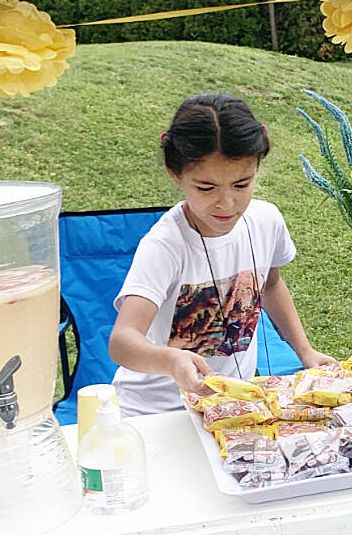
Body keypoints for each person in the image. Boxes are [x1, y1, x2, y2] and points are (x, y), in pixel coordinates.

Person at [109, 93, 339, 416]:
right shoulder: (165, 245)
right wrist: (172, 361)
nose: (226, 203)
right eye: (206, 188)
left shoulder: (266, 221)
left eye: (241, 184)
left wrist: (305, 350)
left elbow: (270, 286)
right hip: (157, 412)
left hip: (231, 405)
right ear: (175, 174)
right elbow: (122, 340)